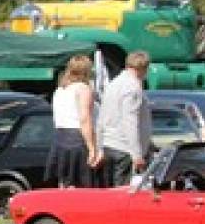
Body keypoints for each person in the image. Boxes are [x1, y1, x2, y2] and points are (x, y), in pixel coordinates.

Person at [97, 51, 152, 186]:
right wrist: (136, 153)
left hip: (109, 144)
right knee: (122, 194)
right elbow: (130, 121)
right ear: (143, 69)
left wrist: (99, 146)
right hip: (124, 148)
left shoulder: (113, 84)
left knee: (109, 192)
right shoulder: (133, 87)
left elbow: (102, 117)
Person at [49, 55, 102, 188]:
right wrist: (92, 148)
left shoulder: (60, 90)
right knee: (82, 186)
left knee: (65, 184)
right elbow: (85, 119)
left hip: (60, 138)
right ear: (86, 71)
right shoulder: (83, 89)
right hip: (78, 139)